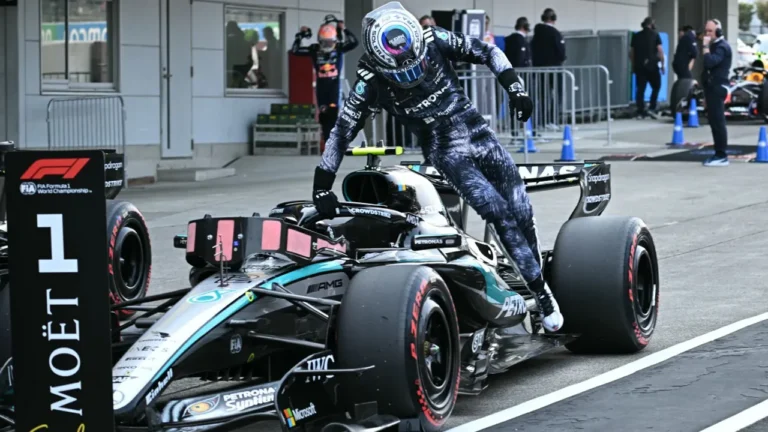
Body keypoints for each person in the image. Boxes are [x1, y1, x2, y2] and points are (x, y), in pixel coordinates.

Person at [311, 1, 564, 332]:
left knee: (520, 206)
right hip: (446, 151)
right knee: (497, 210)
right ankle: (541, 293)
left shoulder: (433, 38)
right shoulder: (369, 78)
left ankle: (536, 277)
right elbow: (342, 129)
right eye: (402, 75)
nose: (412, 78)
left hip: (478, 132)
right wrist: (322, 184)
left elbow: (488, 52)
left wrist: (515, 88)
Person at [291, 16, 359, 143]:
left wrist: (344, 30)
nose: (328, 45)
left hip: (334, 84)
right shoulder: (314, 49)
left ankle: (333, 140)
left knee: (333, 113)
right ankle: (326, 139)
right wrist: (300, 35)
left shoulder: (338, 48)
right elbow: (295, 51)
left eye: (330, 42)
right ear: (319, 41)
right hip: (321, 84)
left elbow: (354, 43)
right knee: (323, 113)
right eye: (325, 42)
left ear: (334, 41)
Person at [701, 18, 732, 167]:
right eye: (706, 31)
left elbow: (710, 62)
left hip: (718, 87)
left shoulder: (721, 47)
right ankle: (718, 152)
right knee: (714, 122)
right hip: (711, 88)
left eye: (710, 31)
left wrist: (705, 47)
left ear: (718, 31)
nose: (707, 34)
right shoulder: (715, 45)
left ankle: (721, 154)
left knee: (718, 122)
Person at [531, 8, 566, 130]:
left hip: (539, 69)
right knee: (556, 94)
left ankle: (540, 121)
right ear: (554, 19)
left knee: (542, 95)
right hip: (554, 69)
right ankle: (552, 120)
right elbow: (561, 53)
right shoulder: (555, 33)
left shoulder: (537, 33)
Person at [630, 17, 665, 119]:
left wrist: (633, 66)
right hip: (652, 66)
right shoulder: (655, 35)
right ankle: (652, 107)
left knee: (640, 89)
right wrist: (662, 65)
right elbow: (660, 51)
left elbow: (632, 53)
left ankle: (640, 110)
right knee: (656, 86)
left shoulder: (636, 36)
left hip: (639, 66)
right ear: (651, 24)